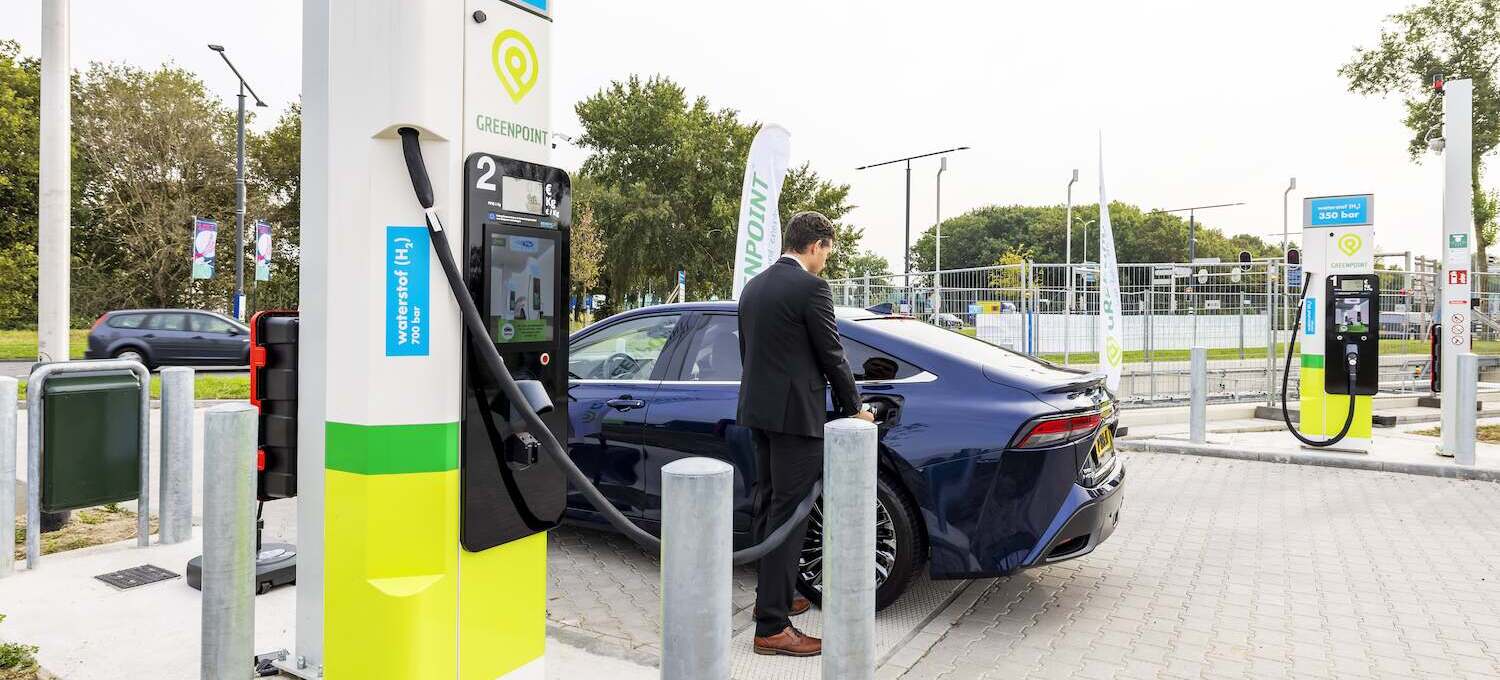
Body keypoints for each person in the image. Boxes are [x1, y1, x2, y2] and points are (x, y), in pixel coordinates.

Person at [737, 211, 875, 657]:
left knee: (767, 508)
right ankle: (773, 628)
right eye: (828, 252)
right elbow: (832, 354)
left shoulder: (753, 286)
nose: (827, 262)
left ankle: (770, 601)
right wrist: (856, 408)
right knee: (791, 517)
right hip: (797, 418)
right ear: (815, 245)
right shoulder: (812, 289)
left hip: (758, 413)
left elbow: (750, 353)